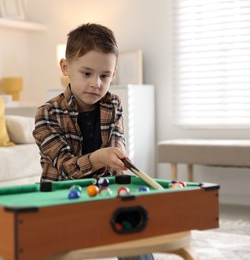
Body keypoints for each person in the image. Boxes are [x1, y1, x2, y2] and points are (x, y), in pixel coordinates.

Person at [33, 23, 153, 260]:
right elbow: (66, 168)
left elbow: (118, 146)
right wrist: (100, 157)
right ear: (66, 68)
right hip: (59, 201)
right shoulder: (47, 114)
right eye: (87, 73)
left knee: (136, 237)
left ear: (114, 73)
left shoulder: (113, 104)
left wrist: (120, 159)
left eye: (104, 75)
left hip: (103, 195)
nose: (96, 83)